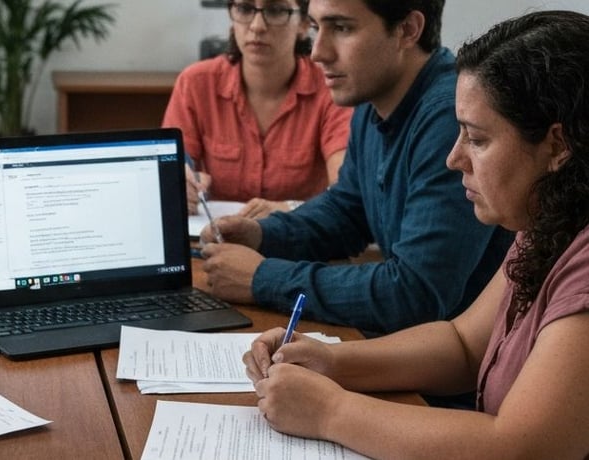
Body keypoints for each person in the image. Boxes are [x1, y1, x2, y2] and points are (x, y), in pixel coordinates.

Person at [243, 10, 589, 458]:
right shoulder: (546, 223)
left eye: (477, 139)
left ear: (557, 146)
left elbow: (524, 447)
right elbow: (463, 346)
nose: (454, 158)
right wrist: (331, 361)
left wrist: (330, 411)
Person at [200, 0, 514, 336]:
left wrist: (263, 279)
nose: (317, 53)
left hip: (462, 364)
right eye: (316, 27)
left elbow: (414, 293)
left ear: (408, 30)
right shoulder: (374, 96)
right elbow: (347, 212)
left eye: (342, 28)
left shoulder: (448, 117)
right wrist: (263, 234)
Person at [164, 0, 352, 219]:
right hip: (216, 234)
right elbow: (172, 169)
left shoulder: (330, 88)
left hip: (300, 235)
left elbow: (346, 190)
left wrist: (288, 210)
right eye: (245, 9)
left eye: (275, 10)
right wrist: (181, 186)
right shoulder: (196, 83)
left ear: (303, 23)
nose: (257, 26)